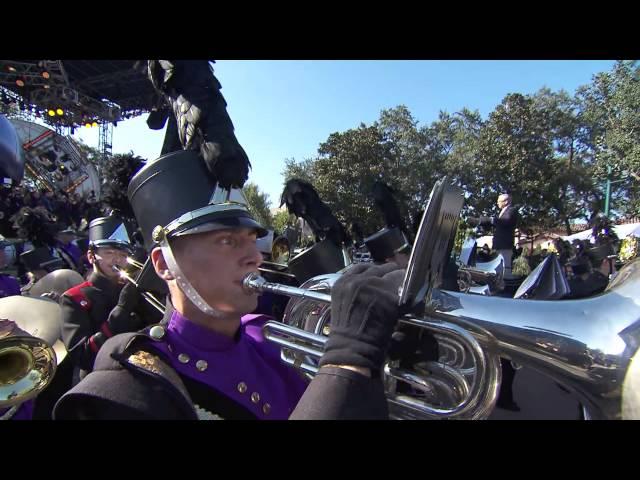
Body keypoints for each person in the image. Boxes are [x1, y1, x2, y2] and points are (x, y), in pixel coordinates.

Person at [53, 151, 404, 420]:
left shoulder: (266, 335)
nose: (254, 256)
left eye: (251, 239)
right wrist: (348, 362)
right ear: (163, 265)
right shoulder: (129, 386)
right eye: (226, 241)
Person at [58, 215, 148, 384]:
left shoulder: (134, 290)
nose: (117, 260)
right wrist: (121, 311)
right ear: (91, 257)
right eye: (109, 253)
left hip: (142, 376)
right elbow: (82, 357)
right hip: (101, 383)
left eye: (122, 254)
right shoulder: (74, 298)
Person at [468, 193, 518, 277]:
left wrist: (490, 219)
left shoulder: (511, 210)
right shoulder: (503, 211)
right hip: (499, 245)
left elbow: (505, 221)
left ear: (505, 202)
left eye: (499, 201)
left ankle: (505, 286)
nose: (497, 203)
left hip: (504, 245)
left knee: (504, 269)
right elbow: (498, 224)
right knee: (498, 268)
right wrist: (482, 222)